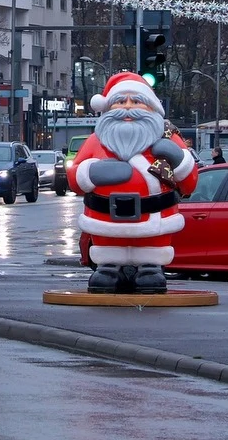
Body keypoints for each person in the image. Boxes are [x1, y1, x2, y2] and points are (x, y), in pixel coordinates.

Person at [71, 72, 199, 294]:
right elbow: (74, 179)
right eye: (120, 101)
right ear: (108, 107)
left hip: (154, 220)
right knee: (107, 260)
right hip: (105, 221)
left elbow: (189, 183)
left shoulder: (168, 139)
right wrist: (91, 172)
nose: (128, 107)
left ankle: (150, 267)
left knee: (150, 262)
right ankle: (108, 266)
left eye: (136, 101)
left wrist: (179, 159)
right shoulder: (96, 141)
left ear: (151, 108)